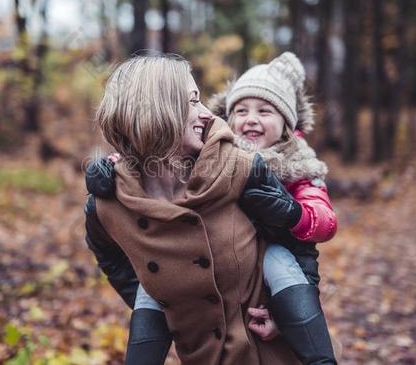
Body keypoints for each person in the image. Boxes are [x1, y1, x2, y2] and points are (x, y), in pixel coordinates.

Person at [85, 54, 302, 364]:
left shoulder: (238, 169)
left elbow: (297, 243)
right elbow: (107, 253)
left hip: (272, 350)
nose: (207, 114)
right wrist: (166, 303)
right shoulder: (107, 202)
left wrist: (288, 314)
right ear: (160, 109)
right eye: (193, 102)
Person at [211, 51, 338, 362]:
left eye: (264, 110)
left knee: (278, 256)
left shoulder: (298, 166)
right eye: (241, 110)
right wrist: (121, 164)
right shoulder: (212, 156)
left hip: (276, 283)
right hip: (221, 274)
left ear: (285, 124)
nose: (251, 118)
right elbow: (171, 162)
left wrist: (294, 212)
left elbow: (324, 220)